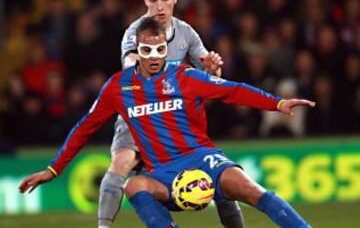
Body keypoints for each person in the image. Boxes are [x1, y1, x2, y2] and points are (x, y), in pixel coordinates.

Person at [19, 17, 315, 228]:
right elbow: (85, 127)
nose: (155, 57)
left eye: (161, 49)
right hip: (164, 173)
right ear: (136, 50)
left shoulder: (184, 75)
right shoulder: (118, 87)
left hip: (202, 158)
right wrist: (53, 169)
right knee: (134, 185)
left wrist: (277, 103)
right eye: (147, 50)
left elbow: (232, 90)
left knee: (252, 190)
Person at [98, 0, 244, 228]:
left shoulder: (186, 32)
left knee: (216, 173)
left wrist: (212, 67)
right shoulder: (134, 32)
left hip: (173, 117)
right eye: (153, 0)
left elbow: (211, 71)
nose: (159, 7)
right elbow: (130, 66)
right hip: (139, 114)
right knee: (121, 163)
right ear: (145, 0)